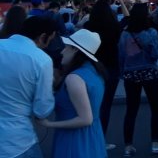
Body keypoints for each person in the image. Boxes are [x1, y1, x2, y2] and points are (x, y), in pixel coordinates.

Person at [38, 29, 107, 158]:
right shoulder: (94, 71)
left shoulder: (74, 78)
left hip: (74, 138)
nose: (62, 51)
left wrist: (48, 124)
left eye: (66, 47)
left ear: (75, 50)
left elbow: (85, 119)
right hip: (93, 136)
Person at [0, 15, 57, 157]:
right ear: (43, 36)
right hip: (17, 140)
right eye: (50, 39)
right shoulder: (41, 60)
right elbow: (42, 109)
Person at [118, 3, 158, 156]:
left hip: (130, 73)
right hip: (148, 71)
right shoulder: (151, 32)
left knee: (131, 110)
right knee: (156, 108)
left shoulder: (124, 34)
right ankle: (155, 142)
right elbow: (156, 53)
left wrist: (123, 72)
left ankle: (128, 146)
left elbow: (120, 56)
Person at [85, 0, 127, 149]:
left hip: (92, 68)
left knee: (91, 105)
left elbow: (88, 16)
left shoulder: (89, 26)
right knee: (105, 106)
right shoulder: (114, 27)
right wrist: (122, 1)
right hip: (111, 69)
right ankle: (100, 139)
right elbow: (128, 18)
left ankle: (89, 137)